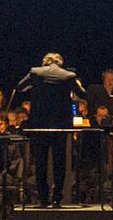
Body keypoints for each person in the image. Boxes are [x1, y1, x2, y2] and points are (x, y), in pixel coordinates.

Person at [12, 53, 87, 207]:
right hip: (61, 125)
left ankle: (43, 198)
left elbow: (19, 87)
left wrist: (33, 86)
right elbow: (83, 94)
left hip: (40, 125)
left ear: (44, 63)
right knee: (60, 162)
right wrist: (76, 83)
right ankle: (57, 198)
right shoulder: (68, 75)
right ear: (60, 63)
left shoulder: (35, 72)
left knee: (41, 163)